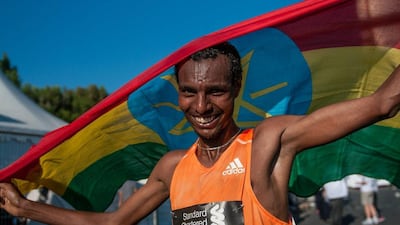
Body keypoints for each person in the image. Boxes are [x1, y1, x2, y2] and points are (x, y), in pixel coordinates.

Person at [0, 42, 399, 225]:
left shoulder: (267, 144)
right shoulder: (173, 168)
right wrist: (25, 209)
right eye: (189, 92)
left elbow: (382, 103)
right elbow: (112, 223)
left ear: (236, 91)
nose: (202, 106)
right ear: (178, 95)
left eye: (216, 92)